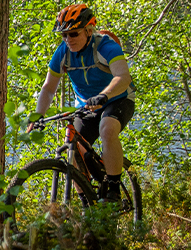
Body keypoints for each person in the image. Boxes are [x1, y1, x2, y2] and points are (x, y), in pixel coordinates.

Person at [30, 4, 135, 203]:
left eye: (73, 34)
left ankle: (114, 188)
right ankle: (86, 201)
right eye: (64, 35)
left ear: (88, 30)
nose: (68, 39)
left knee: (107, 128)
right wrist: (38, 116)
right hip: (87, 107)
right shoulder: (63, 53)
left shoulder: (105, 47)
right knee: (73, 147)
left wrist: (104, 96)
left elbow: (123, 77)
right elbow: (48, 88)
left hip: (118, 99)